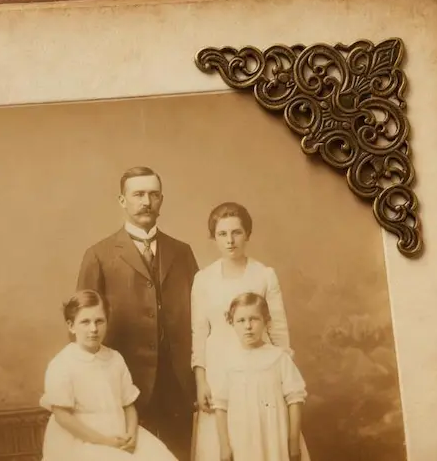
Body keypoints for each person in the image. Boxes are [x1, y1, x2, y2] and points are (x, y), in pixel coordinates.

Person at [76, 166, 199, 461]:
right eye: (138, 194)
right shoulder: (99, 255)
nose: (147, 201)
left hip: (177, 383)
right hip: (122, 381)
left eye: (154, 195)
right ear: (122, 200)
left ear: (161, 200)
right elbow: (83, 326)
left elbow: (203, 317)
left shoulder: (182, 252)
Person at [190, 202, 296, 460]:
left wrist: (282, 375)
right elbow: (199, 332)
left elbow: (278, 329)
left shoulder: (264, 275)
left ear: (247, 234)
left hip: (260, 371)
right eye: (222, 234)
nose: (230, 241)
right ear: (214, 238)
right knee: (223, 445)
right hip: (218, 369)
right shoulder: (203, 279)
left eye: (236, 232)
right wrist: (201, 380)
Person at [39, 290, 178, 461]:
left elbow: (128, 405)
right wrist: (104, 441)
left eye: (99, 321)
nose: (93, 329)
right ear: (71, 326)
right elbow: (63, 417)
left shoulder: (115, 359)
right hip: (81, 439)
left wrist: (131, 434)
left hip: (119, 433)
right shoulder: (62, 364)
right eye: (85, 322)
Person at [212, 293, 309, 461]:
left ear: (266, 321)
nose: (248, 326)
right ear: (231, 323)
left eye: (254, 319)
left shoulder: (279, 358)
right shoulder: (227, 361)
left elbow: (295, 400)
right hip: (243, 440)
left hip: (274, 438)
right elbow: (220, 406)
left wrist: (293, 442)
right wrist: (224, 445)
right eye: (241, 321)